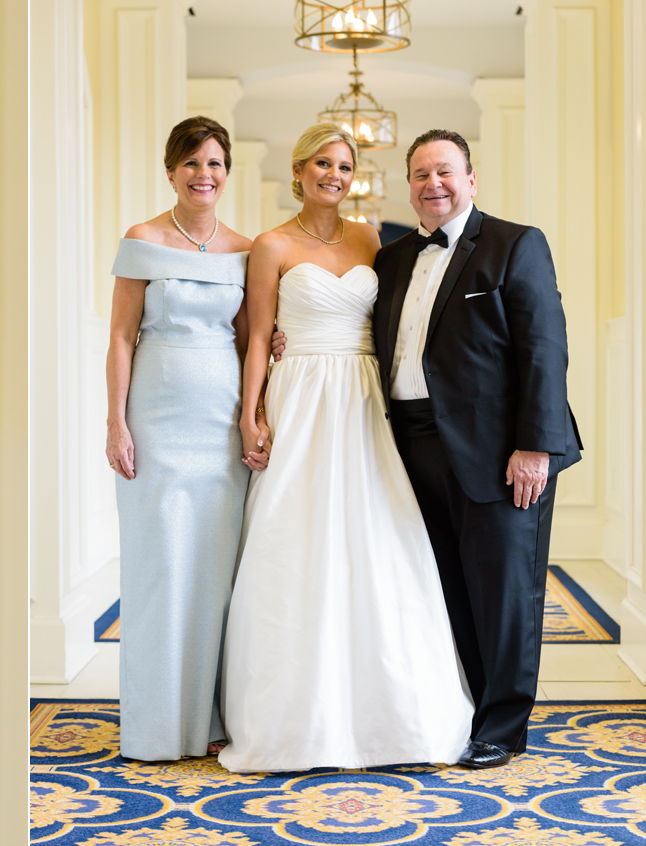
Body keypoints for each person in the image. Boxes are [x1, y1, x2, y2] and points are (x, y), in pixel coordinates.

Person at [216, 123, 470, 773]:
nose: (334, 172)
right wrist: (251, 413)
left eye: (344, 164)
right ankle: (290, 713)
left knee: (378, 537)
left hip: (362, 400)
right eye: (322, 162)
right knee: (294, 537)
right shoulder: (271, 244)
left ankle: (390, 711)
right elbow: (258, 335)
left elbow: (392, 320)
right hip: (299, 396)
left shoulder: (371, 239)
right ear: (298, 169)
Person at [377, 129, 580, 769]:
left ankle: (503, 726)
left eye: (444, 172)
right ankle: (464, 706)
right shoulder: (392, 258)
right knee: (444, 587)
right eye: (419, 175)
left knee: (504, 589)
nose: (432, 184)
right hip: (408, 443)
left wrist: (535, 448)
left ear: (471, 179)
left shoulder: (516, 243)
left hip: (498, 452)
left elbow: (544, 350)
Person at [105, 116, 253, 761]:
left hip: (220, 424)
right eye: (192, 163)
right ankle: (158, 723)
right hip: (157, 420)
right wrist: (115, 420)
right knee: (158, 568)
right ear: (171, 171)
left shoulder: (246, 249)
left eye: (215, 163)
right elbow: (119, 336)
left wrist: (261, 400)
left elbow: (251, 341)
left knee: (216, 573)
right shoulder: (142, 239)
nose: (204, 175)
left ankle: (212, 717)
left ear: (227, 173)